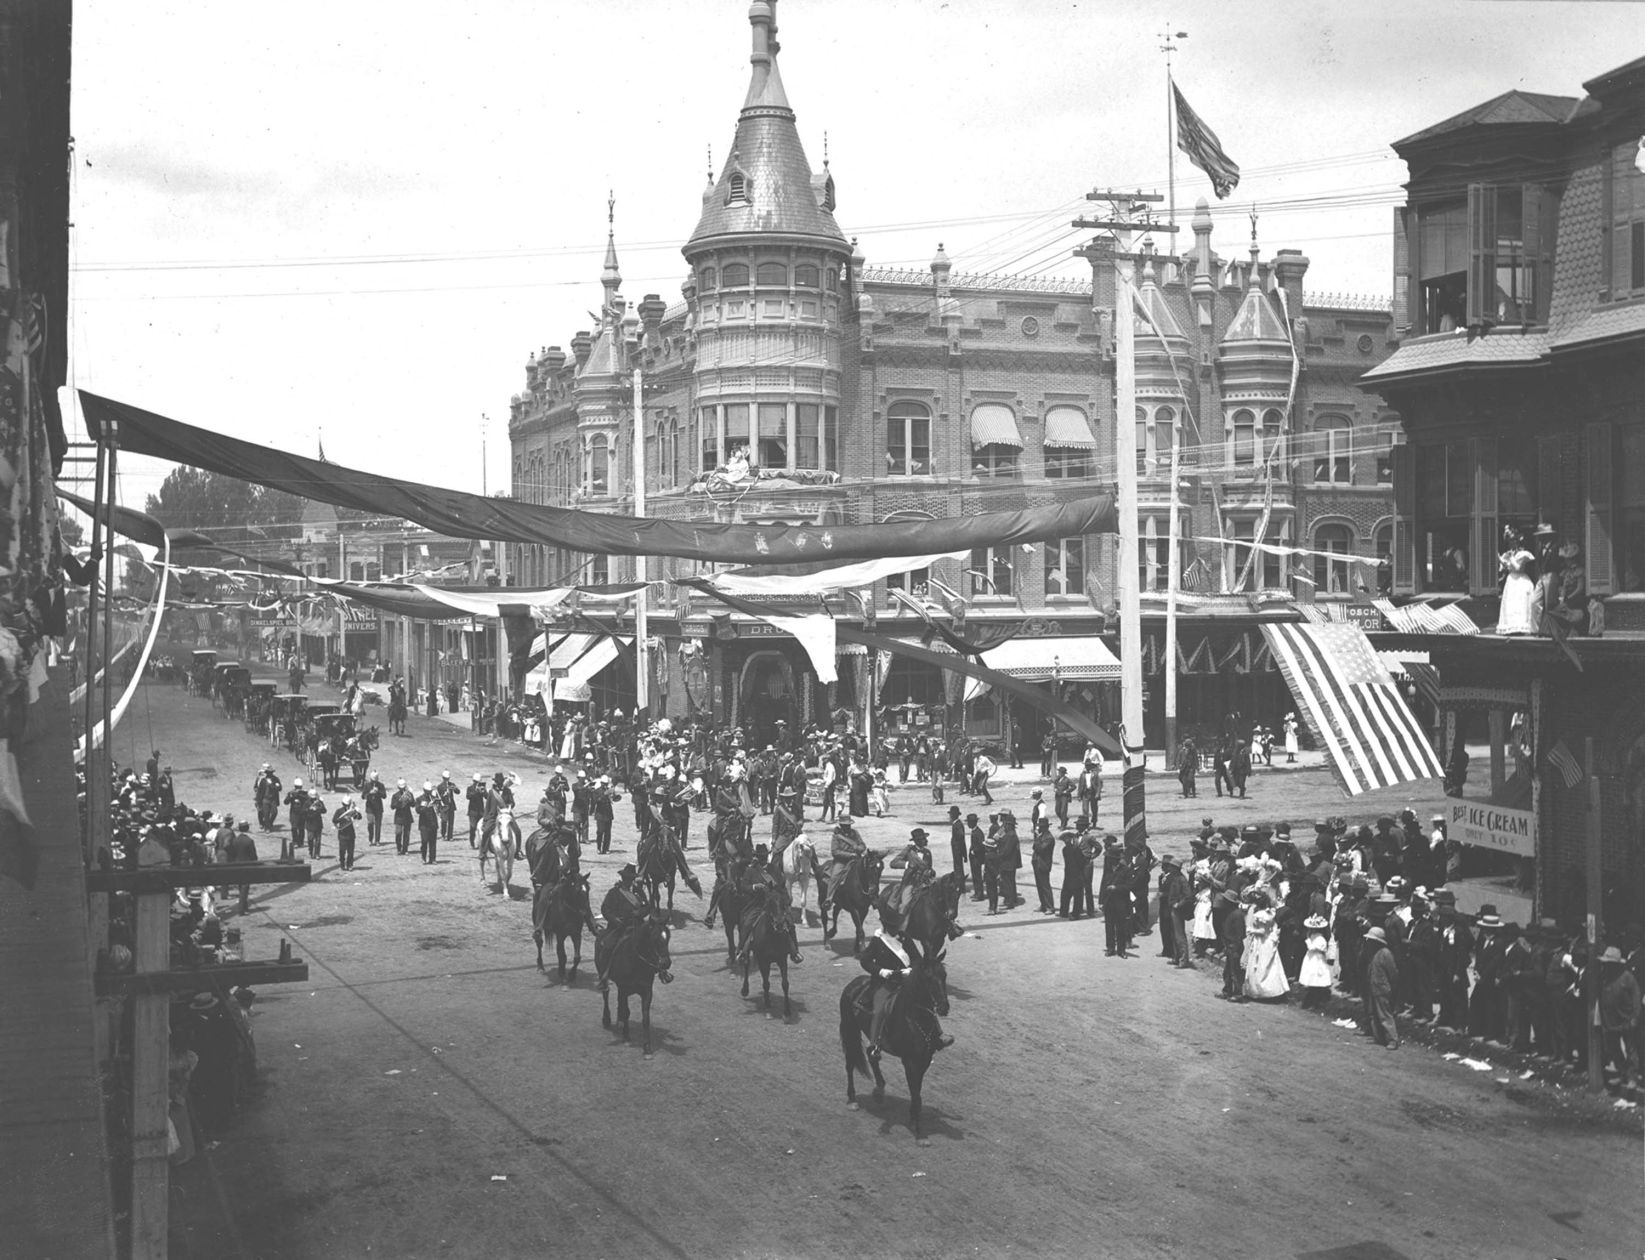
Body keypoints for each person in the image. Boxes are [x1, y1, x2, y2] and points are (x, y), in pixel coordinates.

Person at [858, 927, 951, 1061]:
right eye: (893, 925)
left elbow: (917, 958)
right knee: (879, 1009)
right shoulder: (877, 941)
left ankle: (939, 1035)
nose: (896, 928)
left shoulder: (904, 938)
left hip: (905, 980)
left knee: (926, 1001)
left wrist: (911, 970)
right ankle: (874, 1045)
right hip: (885, 983)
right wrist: (883, 972)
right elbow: (865, 961)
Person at [1599, 946, 1641, 1088]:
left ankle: (1632, 1077)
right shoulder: (1604, 976)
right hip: (1610, 1020)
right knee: (1614, 1049)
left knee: (1630, 1049)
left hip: (1626, 1019)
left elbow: (1636, 998)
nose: (1607, 966)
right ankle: (1622, 1073)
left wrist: (1635, 1018)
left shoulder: (1627, 977)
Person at [1363, 923, 1400, 1048]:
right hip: (1374, 987)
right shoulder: (1374, 953)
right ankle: (1379, 1037)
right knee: (1373, 1014)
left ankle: (1392, 1039)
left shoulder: (1385, 953)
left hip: (1382, 988)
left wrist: (1391, 988)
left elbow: (1393, 973)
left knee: (1384, 1015)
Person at [1158, 854, 1192, 967]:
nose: (1169, 868)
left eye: (1171, 866)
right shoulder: (1176, 878)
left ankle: (1183, 960)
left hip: (1178, 911)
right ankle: (1177, 957)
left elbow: (1188, 896)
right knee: (1174, 935)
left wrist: (1178, 904)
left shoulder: (1181, 879)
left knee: (1179, 935)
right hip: (1172, 909)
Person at [224, 821, 259, 913]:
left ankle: (244, 907)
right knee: (245, 887)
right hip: (247, 866)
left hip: (236, 865)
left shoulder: (235, 840)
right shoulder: (249, 841)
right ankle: (241, 908)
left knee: (241, 887)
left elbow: (231, 853)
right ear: (247, 828)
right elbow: (253, 856)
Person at [1299, 913, 1333, 1007]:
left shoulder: (1321, 939)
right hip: (1311, 957)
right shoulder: (1313, 936)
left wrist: (1308, 941)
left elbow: (1312, 947)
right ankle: (1311, 995)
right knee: (1311, 974)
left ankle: (1315, 999)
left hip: (1317, 959)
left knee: (1316, 974)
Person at [332, 796, 361, 872]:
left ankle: (350, 865)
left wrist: (356, 812)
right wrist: (343, 818)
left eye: (348, 804)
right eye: (345, 804)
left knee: (351, 851)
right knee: (342, 850)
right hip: (342, 833)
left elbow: (359, 817)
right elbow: (334, 820)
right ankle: (342, 864)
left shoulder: (352, 810)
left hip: (351, 833)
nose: (347, 806)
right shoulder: (339, 811)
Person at [415, 782, 441, 864]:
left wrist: (438, 806)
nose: (428, 793)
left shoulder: (434, 798)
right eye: (427, 791)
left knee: (433, 842)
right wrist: (426, 807)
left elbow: (439, 809)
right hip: (424, 824)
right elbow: (418, 810)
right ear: (424, 790)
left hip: (433, 823)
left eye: (429, 791)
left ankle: (432, 859)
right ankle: (423, 857)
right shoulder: (419, 799)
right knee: (424, 841)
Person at [390, 779, 415, 856]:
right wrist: (400, 801)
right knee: (398, 833)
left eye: (403, 787)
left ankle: (405, 849)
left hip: (407, 816)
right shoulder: (395, 795)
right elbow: (392, 806)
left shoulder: (409, 794)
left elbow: (413, 804)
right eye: (401, 788)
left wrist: (410, 800)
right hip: (399, 817)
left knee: (406, 834)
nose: (402, 789)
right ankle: (398, 848)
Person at [362, 772, 386, 846]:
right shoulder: (367, 785)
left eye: (375, 781)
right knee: (370, 824)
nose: (374, 782)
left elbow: (384, 796)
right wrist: (370, 793)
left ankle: (377, 840)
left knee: (378, 824)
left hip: (378, 808)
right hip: (370, 807)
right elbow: (363, 796)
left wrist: (378, 792)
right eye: (373, 781)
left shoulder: (381, 785)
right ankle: (370, 839)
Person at [435, 772, 459, 843]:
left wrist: (454, 789)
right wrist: (443, 795)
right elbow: (438, 797)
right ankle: (443, 834)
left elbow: (458, 792)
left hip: (451, 805)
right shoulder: (440, 786)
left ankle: (450, 836)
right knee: (444, 821)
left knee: (451, 822)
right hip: (444, 805)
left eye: (448, 778)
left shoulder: (452, 784)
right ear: (443, 778)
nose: (447, 780)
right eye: (445, 779)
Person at [465, 772, 486, 848]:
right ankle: (472, 842)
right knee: (473, 827)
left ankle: (480, 842)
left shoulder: (482, 787)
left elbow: (486, 797)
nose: (477, 783)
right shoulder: (470, 788)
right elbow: (468, 796)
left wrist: (483, 792)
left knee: (481, 828)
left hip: (480, 811)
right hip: (472, 811)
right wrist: (476, 792)